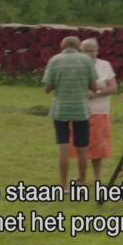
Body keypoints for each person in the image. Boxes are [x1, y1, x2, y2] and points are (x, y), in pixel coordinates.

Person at [42, 36, 98, 191]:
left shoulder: (54, 60)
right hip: (81, 110)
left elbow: (47, 88)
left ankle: (64, 185)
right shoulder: (86, 61)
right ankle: (82, 182)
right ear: (78, 46)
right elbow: (94, 88)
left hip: (60, 110)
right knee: (82, 149)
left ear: (62, 46)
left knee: (64, 148)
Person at [70, 38, 117, 183]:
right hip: (80, 111)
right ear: (80, 51)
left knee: (98, 148)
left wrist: (96, 94)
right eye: (87, 51)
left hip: (100, 112)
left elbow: (113, 87)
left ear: (97, 50)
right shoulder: (75, 65)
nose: (90, 54)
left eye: (93, 50)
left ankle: (97, 178)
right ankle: (81, 176)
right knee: (80, 147)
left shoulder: (105, 65)